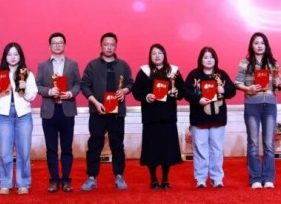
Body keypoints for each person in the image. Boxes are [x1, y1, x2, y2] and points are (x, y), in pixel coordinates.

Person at [80, 32, 134, 192]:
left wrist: (124, 90)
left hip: (117, 113)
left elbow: (130, 83)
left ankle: (119, 176)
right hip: (98, 111)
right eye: (106, 44)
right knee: (95, 144)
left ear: (116, 46)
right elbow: (84, 86)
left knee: (117, 145)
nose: (109, 47)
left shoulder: (123, 65)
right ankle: (91, 177)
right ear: (101, 46)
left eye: (112, 45)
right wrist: (96, 103)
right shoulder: (92, 65)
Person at [131, 44, 185, 189]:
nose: (157, 56)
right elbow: (136, 91)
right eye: (154, 53)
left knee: (167, 150)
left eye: (160, 53)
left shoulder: (173, 71)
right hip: (151, 117)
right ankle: (154, 178)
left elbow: (182, 91)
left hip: (168, 117)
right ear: (150, 56)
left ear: (164, 55)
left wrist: (176, 93)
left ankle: (165, 178)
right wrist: (146, 96)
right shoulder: (144, 72)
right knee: (152, 150)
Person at [0, 42, 38, 195]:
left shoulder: (27, 73)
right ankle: (5, 183)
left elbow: (32, 96)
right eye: (9, 54)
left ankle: (23, 183)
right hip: (4, 116)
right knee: (5, 151)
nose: (12, 57)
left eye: (15, 54)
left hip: (23, 115)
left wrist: (25, 88)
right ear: (5, 56)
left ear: (20, 56)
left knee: (24, 151)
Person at [184, 46, 236, 188]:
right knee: (200, 148)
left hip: (218, 118)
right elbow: (185, 92)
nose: (208, 60)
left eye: (211, 57)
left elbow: (232, 90)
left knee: (217, 148)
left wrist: (223, 90)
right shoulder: (194, 75)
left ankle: (216, 178)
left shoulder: (221, 75)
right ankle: (200, 179)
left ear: (215, 59)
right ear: (200, 60)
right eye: (205, 57)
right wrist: (198, 99)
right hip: (199, 117)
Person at [36, 32, 81, 193]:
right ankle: (54, 180)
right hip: (49, 111)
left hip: (67, 109)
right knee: (51, 148)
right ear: (49, 46)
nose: (57, 45)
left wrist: (70, 93)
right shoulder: (43, 65)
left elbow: (78, 84)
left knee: (67, 148)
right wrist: (49, 91)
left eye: (60, 42)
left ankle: (66, 180)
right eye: (54, 43)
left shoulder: (72, 64)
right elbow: (37, 86)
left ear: (64, 45)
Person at [235, 32, 281, 189]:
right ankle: (255, 178)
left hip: (270, 105)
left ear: (266, 45)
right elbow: (237, 83)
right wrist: (248, 88)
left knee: (269, 143)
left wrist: (277, 82)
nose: (259, 46)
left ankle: (268, 178)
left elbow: (277, 86)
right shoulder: (245, 63)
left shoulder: (273, 63)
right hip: (252, 105)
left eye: (262, 43)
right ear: (251, 45)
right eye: (256, 43)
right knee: (253, 142)